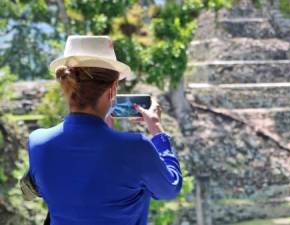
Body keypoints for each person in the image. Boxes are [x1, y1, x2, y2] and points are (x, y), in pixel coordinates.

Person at [20, 35, 183, 225]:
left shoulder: (38, 142)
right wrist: (157, 130)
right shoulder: (136, 147)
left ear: (65, 84)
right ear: (113, 89)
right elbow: (170, 188)